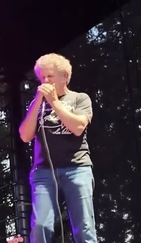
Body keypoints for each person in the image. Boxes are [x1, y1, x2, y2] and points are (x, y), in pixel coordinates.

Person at [18, 53, 96, 243]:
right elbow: (25, 135)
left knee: (84, 225)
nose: (45, 81)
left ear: (65, 77)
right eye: (42, 77)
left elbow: (78, 128)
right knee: (40, 226)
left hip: (77, 168)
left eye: (50, 76)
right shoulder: (36, 104)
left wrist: (54, 102)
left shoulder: (80, 98)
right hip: (43, 172)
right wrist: (38, 101)